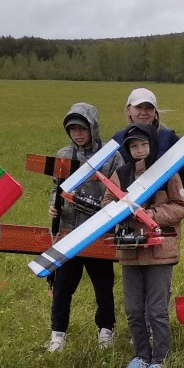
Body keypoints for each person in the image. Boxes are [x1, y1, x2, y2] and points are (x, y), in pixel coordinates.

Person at [108, 123, 184, 368]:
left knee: (156, 310)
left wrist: (152, 214)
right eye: (134, 146)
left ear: (152, 144)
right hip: (130, 251)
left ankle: (159, 359)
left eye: (144, 144)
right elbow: (107, 204)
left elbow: (183, 206)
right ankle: (141, 355)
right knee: (133, 309)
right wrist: (122, 212)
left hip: (159, 250)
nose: (140, 150)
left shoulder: (166, 173)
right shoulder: (121, 174)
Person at [46, 103, 119, 353]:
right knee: (62, 286)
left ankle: (106, 330)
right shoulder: (64, 155)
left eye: (82, 128)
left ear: (93, 127)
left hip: (99, 231)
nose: (77, 134)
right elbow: (57, 188)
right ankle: (58, 333)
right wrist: (54, 206)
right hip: (69, 231)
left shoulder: (111, 155)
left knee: (103, 286)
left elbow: (118, 189)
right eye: (73, 129)